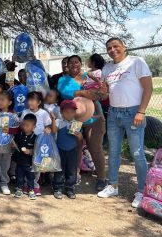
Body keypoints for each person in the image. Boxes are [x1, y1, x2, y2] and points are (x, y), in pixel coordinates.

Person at [97, 38, 153, 208]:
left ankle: (141, 191)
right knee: (113, 152)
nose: (113, 50)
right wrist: (103, 91)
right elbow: (106, 94)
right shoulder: (107, 68)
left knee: (137, 153)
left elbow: (148, 88)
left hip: (133, 112)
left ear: (124, 47)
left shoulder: (136, 62)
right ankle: (113, 185)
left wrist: (141, 111)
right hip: (114, 113)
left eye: (116, 46)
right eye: (109, 48)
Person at [58, 55, 107, 191]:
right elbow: (66, 93)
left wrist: (98, 93)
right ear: (67, 66)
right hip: (74, 119)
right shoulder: (63, 80)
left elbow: (102, 93)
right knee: (75, 147)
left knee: (95, 148)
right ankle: (75, 174)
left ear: (80, 64)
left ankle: (102, 178)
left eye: (77, 62)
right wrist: (84, 92)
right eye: (71, 63)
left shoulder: (90, 76)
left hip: (94, 118)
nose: (74, 65)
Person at [19, 91, 52, 196]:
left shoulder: (43, 113)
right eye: (29, 100)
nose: (30, 102)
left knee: (36, 165)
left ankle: (35, 185)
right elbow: (21, 125)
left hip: (39, 143)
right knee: (26, 164)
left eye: (33, 100)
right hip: (27, 141)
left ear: (39, 102)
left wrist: (47, 130)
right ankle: (25, 184)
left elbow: (48, 126)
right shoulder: (24, 112)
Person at [50, 100, 83, 200]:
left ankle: (70, 188)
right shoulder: (59, 122)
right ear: (61, 112)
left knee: (71, 170)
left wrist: (79, 135)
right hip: (60, 149)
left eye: (72, 112)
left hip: (72, 150)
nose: (70, 114)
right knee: (59, 169)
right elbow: (54, 131)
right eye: (67, 112)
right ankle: (58, 188)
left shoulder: (76, 124)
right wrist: (53, 120)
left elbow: (81, 139)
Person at [0, 91, 17, 196]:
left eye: (3, 100)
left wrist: (10, 130)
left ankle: (4, 183)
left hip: (8, 144)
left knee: (6, 165)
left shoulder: (14, 116)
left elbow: (17, 129)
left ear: (10, 102)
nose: (0, 102)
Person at [13, 114, 37, 200]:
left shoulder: (35, 137)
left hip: (29, 163)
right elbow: (15, 143)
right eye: (24, 124)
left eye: (28, 125)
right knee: (19, 176)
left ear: (33, 127)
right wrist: (14, 145)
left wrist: (29, 151)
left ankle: (31, 190)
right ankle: (19, 188)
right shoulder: (19, 134)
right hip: (19, 161)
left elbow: (36, 150)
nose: (25, 127)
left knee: (31, 177)